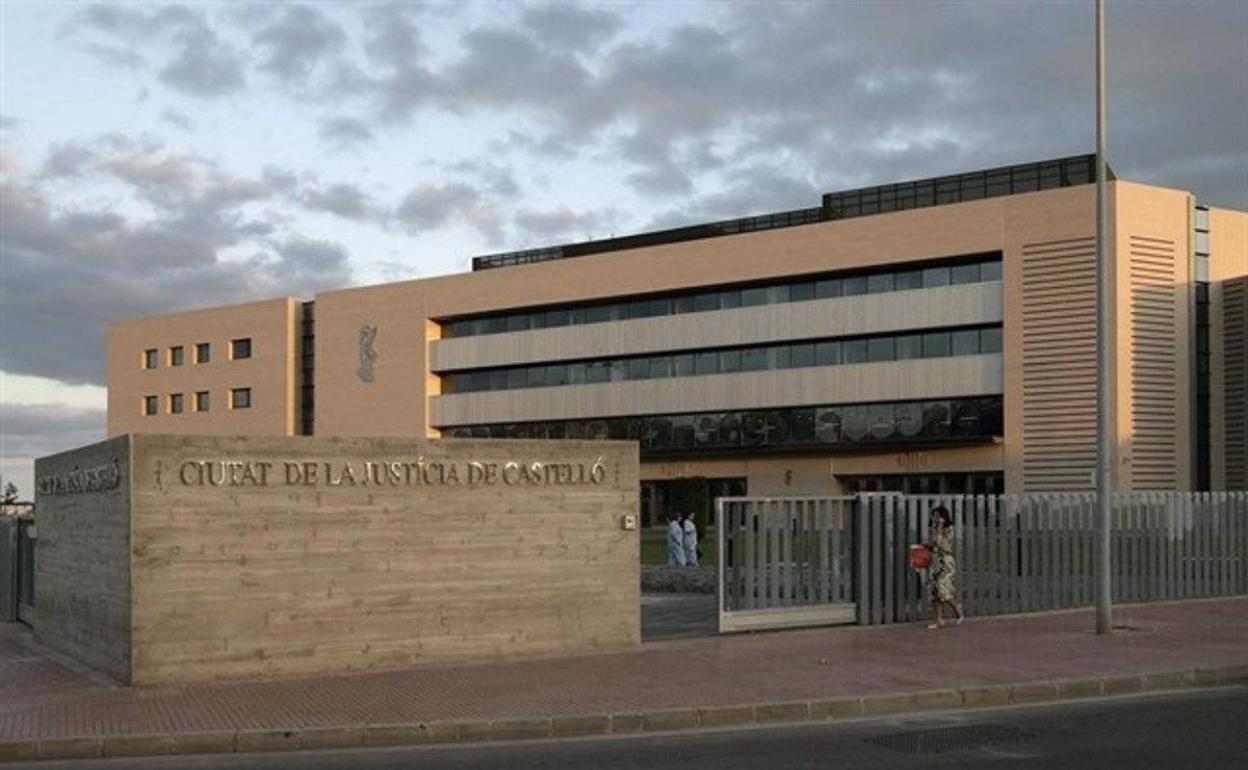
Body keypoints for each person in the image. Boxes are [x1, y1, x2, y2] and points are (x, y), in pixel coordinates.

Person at [927, 505, 964, 629]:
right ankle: (939, 620)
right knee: (935, 592)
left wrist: (939, 529)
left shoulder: (948, 529)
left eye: (937, 516)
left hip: (945, 562)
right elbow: (934, 545)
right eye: (934, 516)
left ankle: (956, 607)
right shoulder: (935, 529)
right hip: (936, 561)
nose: (935, 519)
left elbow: (942, 544)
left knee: (942, 588)